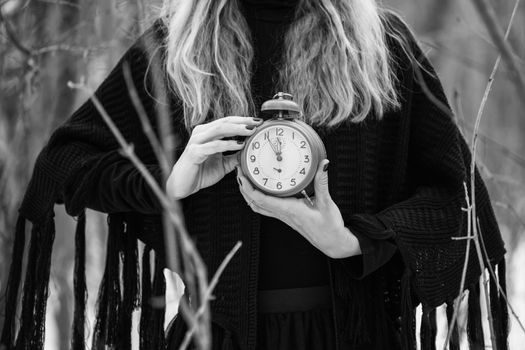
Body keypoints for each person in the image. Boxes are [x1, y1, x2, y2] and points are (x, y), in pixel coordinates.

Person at [1, 0, 508, 349]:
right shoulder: (177, 47)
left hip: (354, 333)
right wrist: (167, 182)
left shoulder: (382, 45)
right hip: (215, 333)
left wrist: (352, 240)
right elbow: (64, 162)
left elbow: (460, 204)